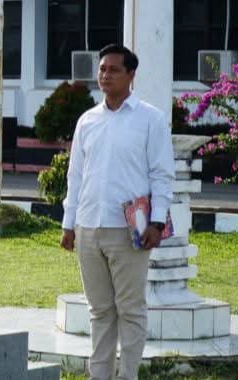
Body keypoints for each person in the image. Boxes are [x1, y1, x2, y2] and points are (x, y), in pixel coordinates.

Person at [61, 44, 174, 380]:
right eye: (102, 69)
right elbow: (76, 176)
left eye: (113, 69)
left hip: (129, 231)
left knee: (131, 310)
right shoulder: (87, 120)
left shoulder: (150, 119)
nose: (105, 75)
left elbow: (161, 175)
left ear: (131, 75)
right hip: (88, 228)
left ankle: (127, 376)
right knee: (100, 312)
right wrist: (69, 225)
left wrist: (157, 222)